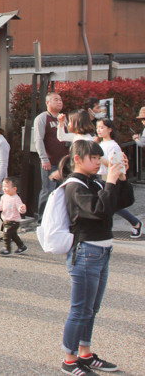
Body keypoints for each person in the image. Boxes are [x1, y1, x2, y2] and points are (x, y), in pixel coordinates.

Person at [59, 139, 134, 375]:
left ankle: (85, 353)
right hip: (86, 252)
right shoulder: (74, 186)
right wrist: (110, 180)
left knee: (92, 308)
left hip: (101, 251)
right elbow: (99, 210)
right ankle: (69, 360)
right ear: (78, 159)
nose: (97, 162)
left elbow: (122, 202)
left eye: (97, 157)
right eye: (93, 158)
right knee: (80, 309)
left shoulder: (94, 183)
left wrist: (120, 178)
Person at [95, 118, 142, 238]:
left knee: (112, 206)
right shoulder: (101, 144)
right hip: (99, 176)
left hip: (109, 178)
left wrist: (98, 157)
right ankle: (134, 223)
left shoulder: (113, 146)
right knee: (109, 205)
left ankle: (135, 222)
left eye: (101, 127)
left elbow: (114, 165)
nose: (99, 130)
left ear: (109, 129)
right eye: (98, 128)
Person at [32, 92, 66, 217]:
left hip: (63, 162)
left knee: (63, 191)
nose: (59, 102)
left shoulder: (64, 118)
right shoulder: (42, 118)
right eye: (56, 99)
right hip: (50, 162)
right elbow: (38, 139)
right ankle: (42, 217)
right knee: (48, 190)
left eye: (60, 100)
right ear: (48, 102)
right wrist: (44, 158)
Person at [0, 177, 27, 256]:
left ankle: (7, 248)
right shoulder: (4, 197)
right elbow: (1, 206)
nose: (4, 189)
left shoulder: (16, 198)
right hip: (6, 220)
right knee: (13, 235)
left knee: (6, 233)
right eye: (3, 187)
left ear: (14, 189)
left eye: (6, 187)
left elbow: (20, 207)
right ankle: (21, 246)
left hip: (13, 221)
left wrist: (22, 209)